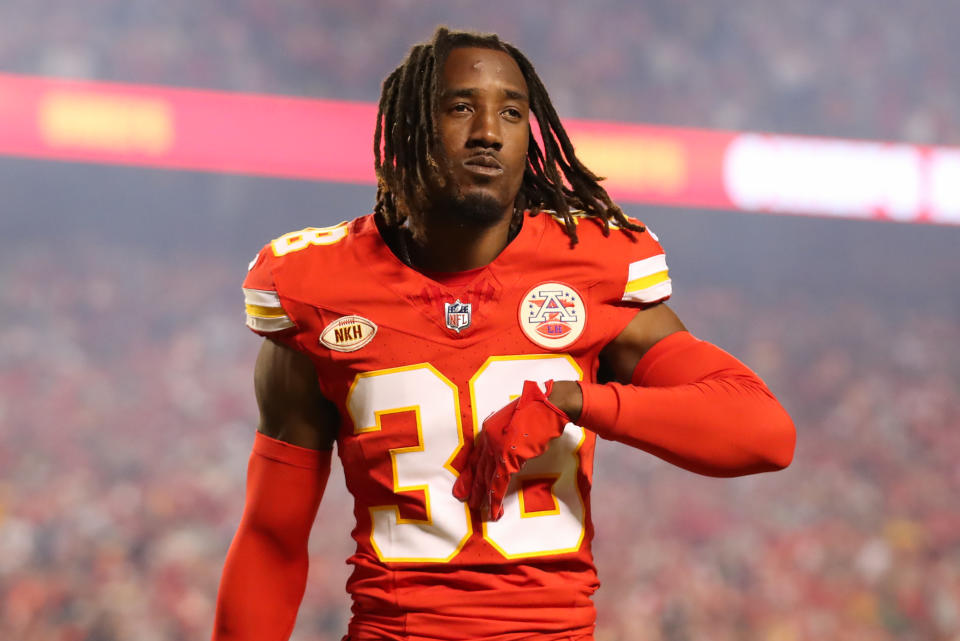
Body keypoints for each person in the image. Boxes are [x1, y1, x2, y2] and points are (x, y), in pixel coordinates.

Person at [211, 26, 795, 641]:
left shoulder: (590, 269)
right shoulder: (317, 288)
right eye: (462, 106)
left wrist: (574, 401)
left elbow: (765, 434)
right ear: (408, 129)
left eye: (512, 112)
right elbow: (272, 540)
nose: (488, 130)